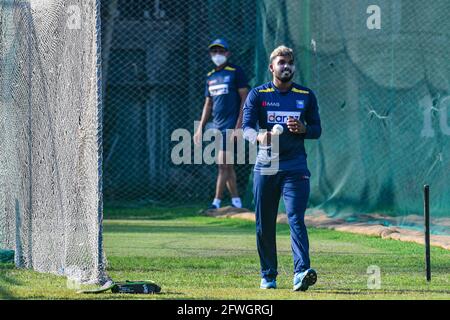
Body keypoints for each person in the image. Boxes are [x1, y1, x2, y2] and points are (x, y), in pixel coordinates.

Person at [242, 45, 322, 291]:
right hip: (266, 165)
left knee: (296, 217)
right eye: (281, 62)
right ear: (271, 67)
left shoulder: (305, 95)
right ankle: (268, 275)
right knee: (265, 222)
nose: (286, 66)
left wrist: (304, 129)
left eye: (289, 62)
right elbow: (246, 127)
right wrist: (259, 137)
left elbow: (317, 129)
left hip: (295, 166)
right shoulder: (258, 94)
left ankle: (301, 272)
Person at [194, 38, 249, 210]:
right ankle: (236, 202)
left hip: (231, 125)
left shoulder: (236, 72)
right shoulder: (210, 76)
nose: (217, 55)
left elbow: (245, 99)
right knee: (227, 165)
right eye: (214, 52)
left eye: (221, 51)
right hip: (216, 126)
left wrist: (239, 124)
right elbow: (208, 104)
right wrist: (199, 128)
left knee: (222, 164)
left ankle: (216, 202)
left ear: (228, 53)